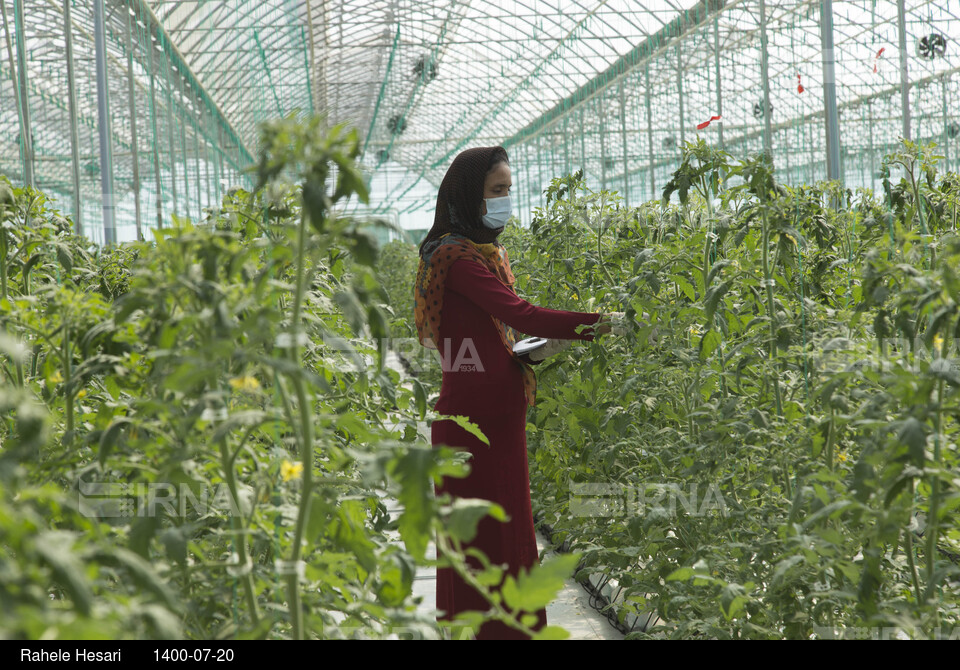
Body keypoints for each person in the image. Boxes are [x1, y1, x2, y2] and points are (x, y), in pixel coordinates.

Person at [413, 146, 620, 639]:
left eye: (508, 189)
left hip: (496, 415)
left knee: (504, 538)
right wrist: (603, 324)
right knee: (487, 544)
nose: (505, 200)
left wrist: (524, 354)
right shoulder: (455, 257)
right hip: (474, 423)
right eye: (496, 191)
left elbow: (490, 335)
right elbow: (520, 314)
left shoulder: (475, 253)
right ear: (469, 195)